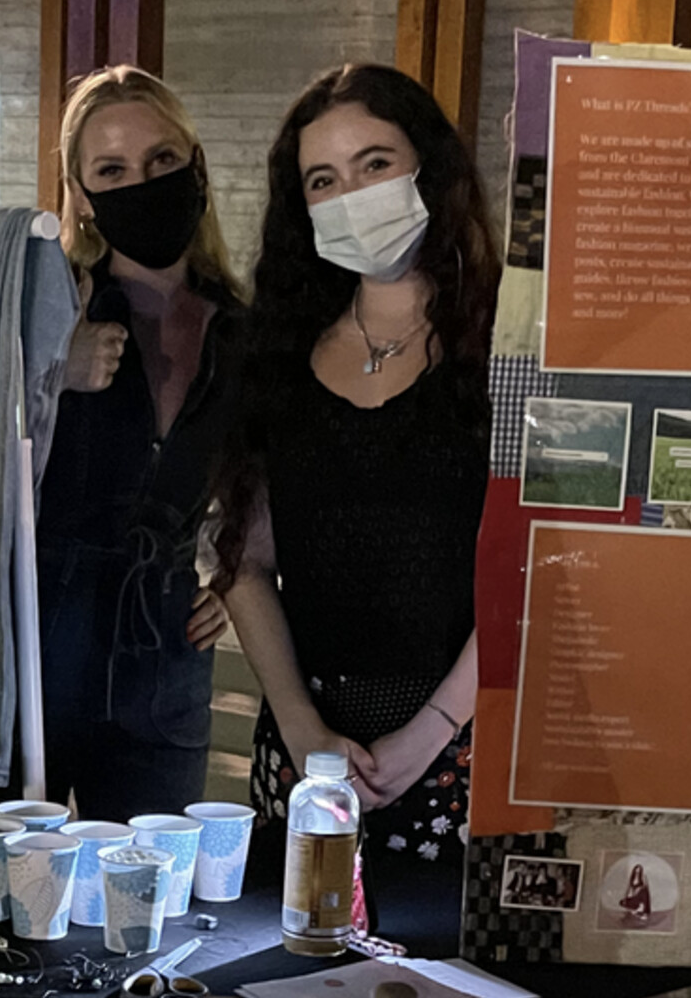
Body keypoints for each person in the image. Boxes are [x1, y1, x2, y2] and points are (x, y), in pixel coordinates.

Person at [217, 64, 499, 864]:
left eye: (375, 164)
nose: (352, 194)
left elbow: (541, 569)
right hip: (306, 757)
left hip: (467, 746)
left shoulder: (507, 347)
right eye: (322, 179)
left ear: (428, 167)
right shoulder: (274, 354)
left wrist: (435, 730)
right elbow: (244, 559)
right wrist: (304, 730)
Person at [39, 66, 245, 821]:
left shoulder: (242, 329)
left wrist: (238, 574)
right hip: (35, 657)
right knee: (9, 915)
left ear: (196, 166)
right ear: (83, 196)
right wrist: (47, 373)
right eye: (112, 170)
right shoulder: (41, 304)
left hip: (164, 664)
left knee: (146, 910)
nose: (143, 183)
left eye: (161, 161)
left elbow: (266, 482)